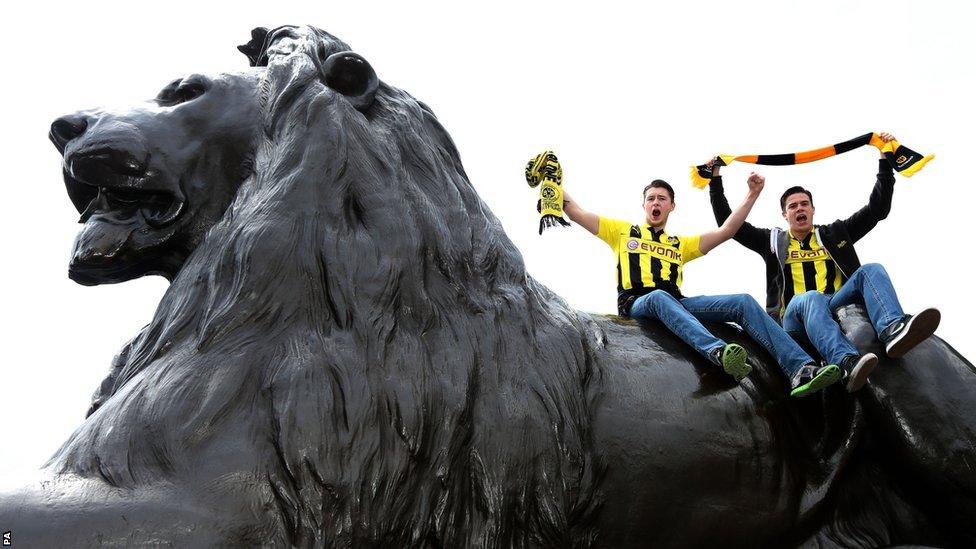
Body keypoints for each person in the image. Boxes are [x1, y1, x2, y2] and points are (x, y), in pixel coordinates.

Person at [559, 158, 840, 397]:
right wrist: (553, 184)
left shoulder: (679, 244)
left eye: (662, 199)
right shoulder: (621, 231)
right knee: (658, 297)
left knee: (741, 301)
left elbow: (727, 230)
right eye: (651, 199)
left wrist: (752, 194)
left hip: (677, 303)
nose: (656, 203)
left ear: (671, 206)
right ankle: (718, 353)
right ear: (644, 205)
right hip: (637, 303)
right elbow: (576, 212)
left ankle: (800, 368)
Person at [707, 132, 940, 394]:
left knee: (871, 270)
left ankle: (893, 329)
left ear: (813, 210)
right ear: (784, 214)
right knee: (810, 297)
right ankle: (845, 361)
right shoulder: (771, 241)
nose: (799, 209)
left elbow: (878, 210)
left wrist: (884, 159)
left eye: (804, 204)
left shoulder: (834, 233)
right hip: (795, 318)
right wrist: (715, 179)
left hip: (836, 302)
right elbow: (729, 225)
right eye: (792, 206)